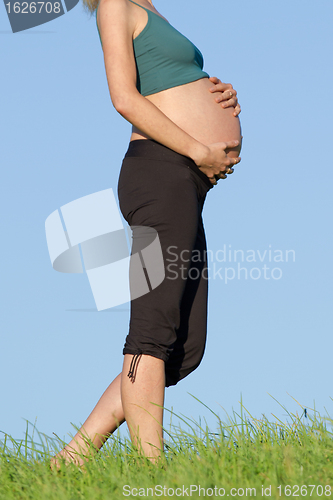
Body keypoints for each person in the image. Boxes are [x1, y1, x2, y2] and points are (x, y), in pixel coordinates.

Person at [52, 0, 242, 467]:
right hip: (160, 174)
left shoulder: (148, 7)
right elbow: (123, 96)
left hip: (186, 183)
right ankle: (151, 468)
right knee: (153, 329)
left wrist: (216, 92)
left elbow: (168, 82)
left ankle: (72, 458)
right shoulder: (114, 5)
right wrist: (199, 148)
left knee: (186, 346)